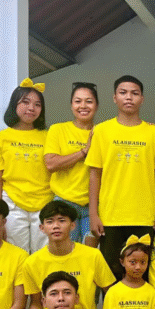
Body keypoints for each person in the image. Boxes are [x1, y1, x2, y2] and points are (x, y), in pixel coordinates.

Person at [86, 75, 155, 280]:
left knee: (143, 274)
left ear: (142, 99)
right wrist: (93, 214)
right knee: (112, 274)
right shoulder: (102, 131)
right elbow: (95, 174)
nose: (129, 97)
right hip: (111, 216)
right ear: (115, 98)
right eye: (123, 93)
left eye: (135, 93)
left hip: (144, 216)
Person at [0, 79, 51, 253]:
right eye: (25, 102)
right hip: (12, 203)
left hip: (45, 202)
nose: (31, 108)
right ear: (14, 105)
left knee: (44, 256)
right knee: (16, 254)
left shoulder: (49, 136)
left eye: (37, 104)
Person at [44, 82, 100, 245]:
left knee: (89, 254)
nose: (83, 106)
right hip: (64, 202)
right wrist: (84, 152)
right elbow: (51, 164)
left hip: (93, 205)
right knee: (65, 252)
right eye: (78, 101)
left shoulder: (102, 132)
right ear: (71, 105)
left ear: (96, 105)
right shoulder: (58, 129)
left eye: (89, 101)